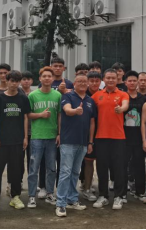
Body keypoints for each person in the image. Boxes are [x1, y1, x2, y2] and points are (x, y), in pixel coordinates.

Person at [0, 70, 30, 213]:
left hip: (17, 140)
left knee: (16, 170)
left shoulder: (23, 98)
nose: (14, 84)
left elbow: (25, 118)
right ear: (7, 81)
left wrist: (25, 137)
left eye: (17, 81)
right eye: (12, 81)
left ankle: (15, 196)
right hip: (2, 141)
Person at [55, 73, 96, 217]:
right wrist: (75, 111)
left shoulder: (90, 100)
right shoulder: (67, 96)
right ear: (74, 83)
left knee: (75, 172)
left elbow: (92, 122)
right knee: (65, 172)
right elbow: (67, 110)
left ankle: (72, 199)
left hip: (83, 142)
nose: (83, 83)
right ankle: (60, 203)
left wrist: (90, 142)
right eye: (79, 81)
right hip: (68, 141)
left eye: (85, 81)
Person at [92, 69, 129, 210]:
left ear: (117, 79)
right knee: (101, 168)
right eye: (108, 78)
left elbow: (125, 105)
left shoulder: (123, 94)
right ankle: (103, 195)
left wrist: (121, 109)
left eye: (113, 78)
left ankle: (119, 196)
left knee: (119, 168)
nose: (111, 80)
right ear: (104, 79)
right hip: (101, 136)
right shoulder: (97, 95)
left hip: (118, 137)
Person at [27, 66, 62, 208]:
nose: (47, 78)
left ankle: (49, 193)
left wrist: (59, 133)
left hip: (52, 136)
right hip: (37, 136)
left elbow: (59, 115)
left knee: (51, 168)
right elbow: (28, 114)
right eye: (44, 76)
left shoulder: (57, 95)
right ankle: (31, 196)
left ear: (53, 79)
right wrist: (41, 115)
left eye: (49, 76)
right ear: (40, 79)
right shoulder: (33, 95)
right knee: (33, 168)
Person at [123, 71, 146, 199]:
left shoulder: (143, 99)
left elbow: (145, 120)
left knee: (139, 165)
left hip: (138, 137)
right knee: (122, 165)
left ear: (137, 82)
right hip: (123, 137)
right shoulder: (122, 96)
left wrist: (144, 139)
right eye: (129, 81)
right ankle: (122, 193)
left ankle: (140, 191)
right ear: (125, 82)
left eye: (134, 80)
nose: (132, 83)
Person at [80, 71, 102, 202]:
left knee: (102, 163)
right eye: (91, 81)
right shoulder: (83, 96)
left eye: (96, 81)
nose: (94, 83)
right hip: (86, 134)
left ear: (100, 82)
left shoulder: (103, 94)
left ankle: (102, 189)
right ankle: (87, 188)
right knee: (87, 162)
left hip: (103, 133)